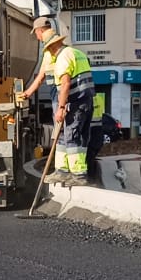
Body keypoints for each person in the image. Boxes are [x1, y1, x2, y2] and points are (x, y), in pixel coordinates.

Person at [39, 28, 93, 185]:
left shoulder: (63, 58)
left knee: (71, 137)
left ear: (52, 47)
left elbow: (65, 84)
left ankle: (78, 175)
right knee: (65, 136)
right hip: (84, 101)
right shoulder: (77, 53)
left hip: (74, 104)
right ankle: (62, 171)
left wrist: (61, 108)